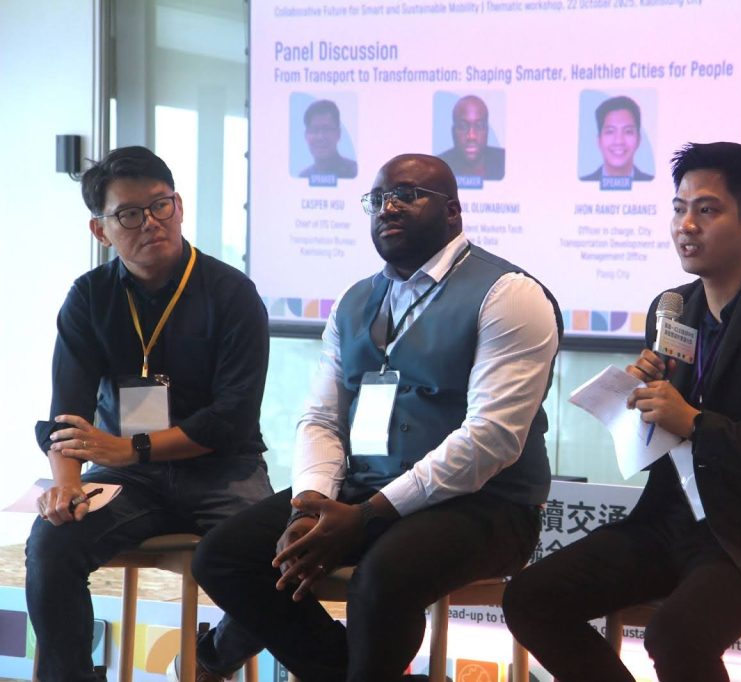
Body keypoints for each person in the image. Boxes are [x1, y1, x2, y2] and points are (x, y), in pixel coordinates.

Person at [191, 153, 561, 681]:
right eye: (377, 199)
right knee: (224, 556)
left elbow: (490, 441)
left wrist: (368, 516)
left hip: (487, 505)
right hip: (363, 490)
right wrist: (311, 502)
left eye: (408, 195)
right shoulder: (354, 299)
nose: (388, 207)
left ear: (453, 212)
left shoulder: (510, 295)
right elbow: (321, 416)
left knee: (383, 575)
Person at [503, 142, 741, 682]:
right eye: (678, 208)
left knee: (676, 633)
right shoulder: (673, 309)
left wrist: (692, 420)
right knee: (531, 597)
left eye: (707, 210)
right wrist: (639, 405)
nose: (685, 225)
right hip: (671, 523)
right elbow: (666, 442)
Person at [25, 146, 274, 682]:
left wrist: (129, 447)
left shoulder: (232, 293)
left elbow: (230, 418)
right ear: (101, 230)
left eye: (161, 206)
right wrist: (66, 486)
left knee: (278, 562)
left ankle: (211, 658)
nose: (151, 223)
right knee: (51, 544)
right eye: (130, 214)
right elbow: (67, 412)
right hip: (128, 477)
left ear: (179, 206)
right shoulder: (89, 298)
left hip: (222, 468)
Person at [580, 95, 654, 184]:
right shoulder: (582, 183)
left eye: (628, 131)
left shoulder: (652, 183)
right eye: (610, 131)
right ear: (599, 140)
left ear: (638, 140)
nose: (619, 141)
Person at [438, 95, 506, 181]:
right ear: (453, 132)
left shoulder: (504, 160)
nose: (471, 136)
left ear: (487, 131)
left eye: (479, 126)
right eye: (463, 126)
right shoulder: (439, 166)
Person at [299, 99, 358, 180]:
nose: (320, 137)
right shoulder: (303, 177)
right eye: (314, 130)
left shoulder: (354, 172)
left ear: (338, 134)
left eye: (326, 129)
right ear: (306, 135)